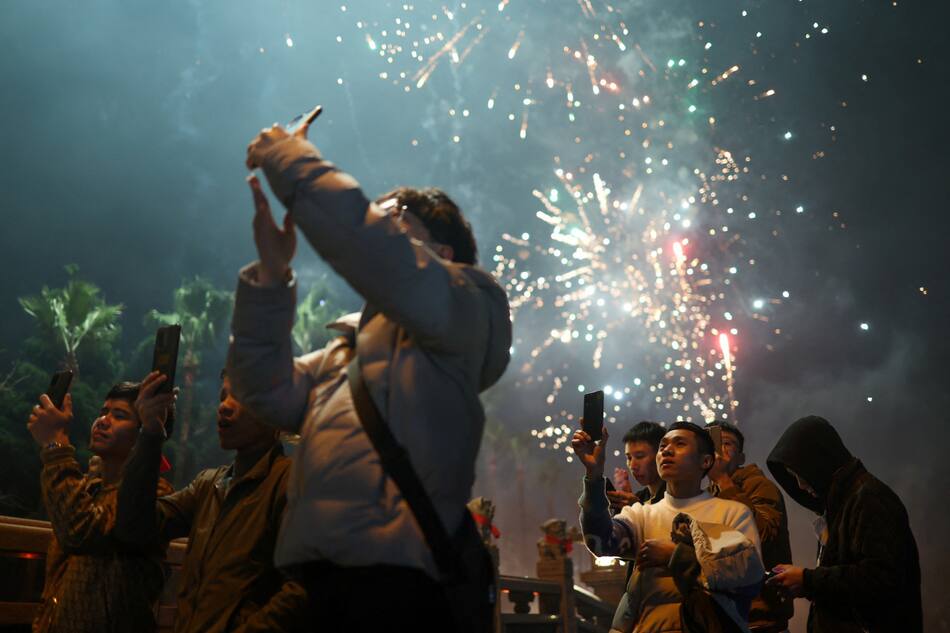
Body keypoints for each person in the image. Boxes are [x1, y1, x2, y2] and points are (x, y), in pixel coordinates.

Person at [227, 116, 512, 628]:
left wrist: (289, 157)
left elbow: (371, 247)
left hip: (398, 582)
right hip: (316, 579)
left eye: (396, 214)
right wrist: (272, 277)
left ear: (443, 253)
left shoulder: (468, 301)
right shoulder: (345, 350)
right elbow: (262, 391)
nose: (380, 216)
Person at [115, 371, 308, 633]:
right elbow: (134, 527)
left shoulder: (291, 484)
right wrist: (150, 431)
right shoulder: (209, 485)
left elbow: (303, 589)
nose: (224, 406)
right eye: (223, 396)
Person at [574, 421, 763, 633]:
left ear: (706, 461)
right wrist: (593, 475)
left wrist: (675, 556)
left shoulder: (733, 513)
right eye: (663, 446)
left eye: (679, 444)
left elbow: (748, 577)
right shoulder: (642, 514)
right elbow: (600, 542)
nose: (667, 451)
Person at [27, 380, 175, 633]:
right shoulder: (89, 488)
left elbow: (79, 530)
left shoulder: (153, 497)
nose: (103, 420)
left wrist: (54, 443)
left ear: (145, 433)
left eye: (119, 415)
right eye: (103, 412)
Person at [766, 415, 922, 633]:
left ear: (818, 459)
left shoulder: (869, 498)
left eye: (800, 472)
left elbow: (882, 578)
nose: (800, 485)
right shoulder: (843, 502)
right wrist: (804, 582)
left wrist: (808, 580)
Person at [706, 421, 793, 633]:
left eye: (727, 443)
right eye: (712, 444)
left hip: (760, 618)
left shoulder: (758, 485)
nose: (720, 450)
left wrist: (724, 481)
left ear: (741, 457)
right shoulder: (709, 495)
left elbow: (763, 536)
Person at [608, 421, 667, 513]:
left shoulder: (679, 497)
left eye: (640, 456)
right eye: (629, 458)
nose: (632, 466)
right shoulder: (639, 498)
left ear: (660, 455)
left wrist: (637, 508)